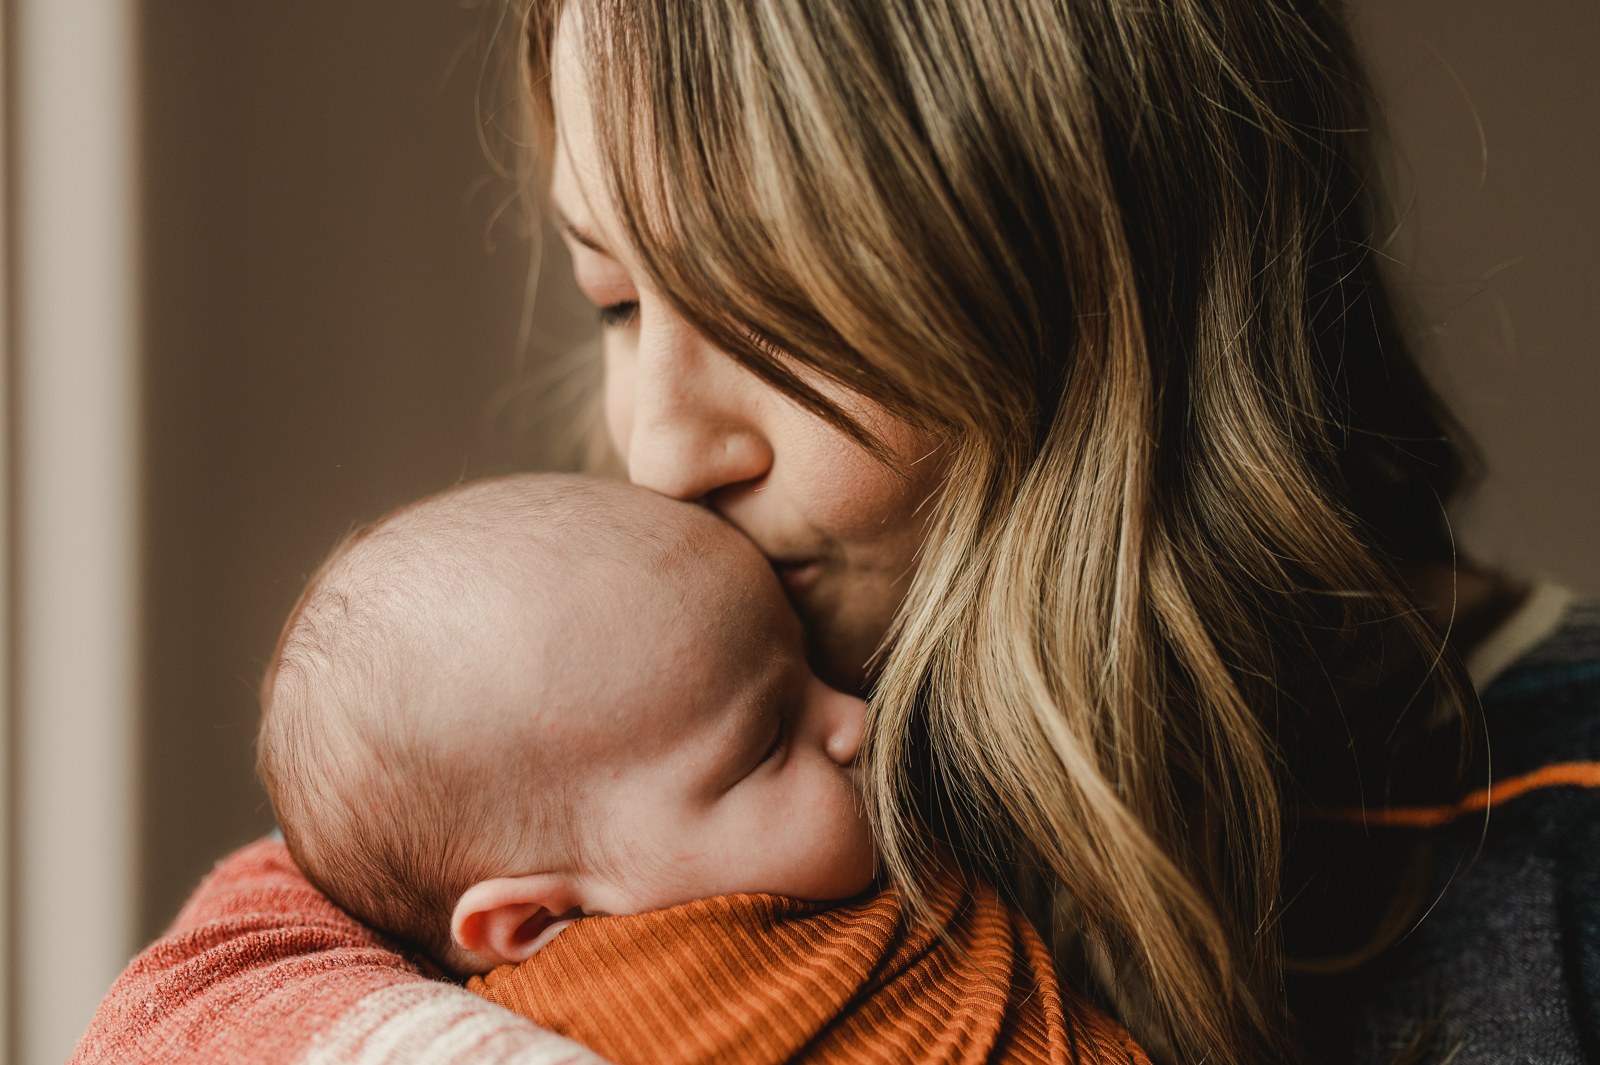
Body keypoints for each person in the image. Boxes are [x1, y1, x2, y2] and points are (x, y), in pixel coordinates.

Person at [73, 0, 1599, 1062]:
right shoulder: (667, 707)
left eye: (778, 313)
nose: (660, 442)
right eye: (616, 297)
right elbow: (202, 998)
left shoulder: (1556, 833)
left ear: (1090, 296)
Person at [257, 472, 1149, 1065]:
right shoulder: (629, 1026)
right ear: (535, 917)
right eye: (767, 741)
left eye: (809, 665)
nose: (859, 717)